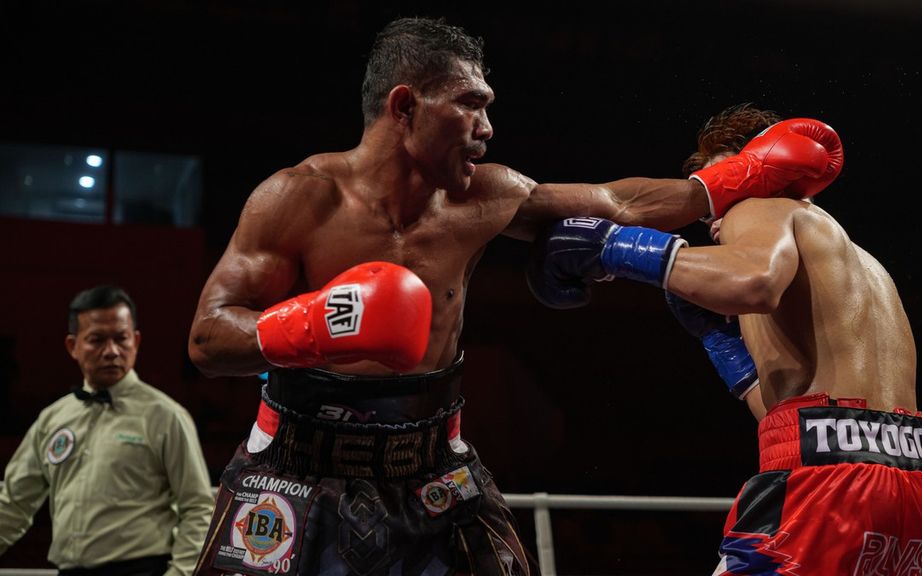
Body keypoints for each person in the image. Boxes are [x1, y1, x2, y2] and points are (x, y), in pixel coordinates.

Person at [186, 16, 841, 575]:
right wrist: (321, 324)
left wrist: (742, 175)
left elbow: (618, 202)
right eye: (469, 104)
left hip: (434, 464)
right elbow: (208, 338)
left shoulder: (486, 195)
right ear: (405, 105)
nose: (487, 127)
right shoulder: (297, 197)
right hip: (299, 465)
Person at [527, 104, 922, 574]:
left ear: (758, 168)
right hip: (916, 486)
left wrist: (612, 246)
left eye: (719, 191)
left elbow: (754, 282)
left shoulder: (762, 205)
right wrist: (718, 340)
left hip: (827, 487)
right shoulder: (864, 265)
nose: (710, 220)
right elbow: (798, 415)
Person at [0, 285, 215, 576]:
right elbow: (13, 505)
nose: (112, 351)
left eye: (121, 338)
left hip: (143, 568)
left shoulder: (166, 417)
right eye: (97, 340)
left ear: (136, 341)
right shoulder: (52, 419)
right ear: (72, 346)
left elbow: (198, 508)